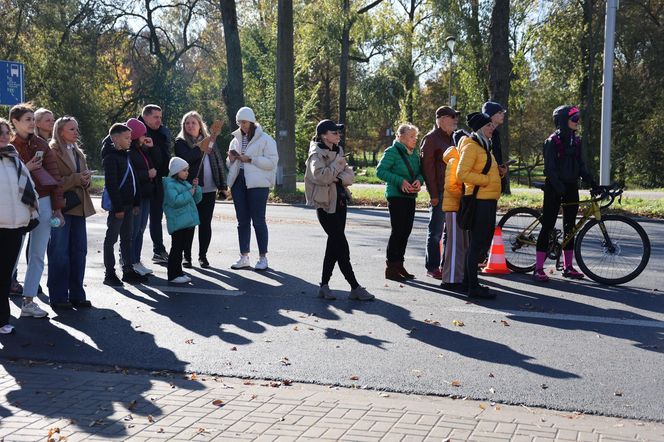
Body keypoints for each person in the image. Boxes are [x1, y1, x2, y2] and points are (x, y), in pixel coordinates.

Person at [304, 119, 374, 301]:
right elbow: (320, 176)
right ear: (323, 135)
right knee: (341, 246)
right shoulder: (316, 155)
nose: (338, 135)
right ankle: (355, 286)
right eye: (334, 132)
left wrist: (337, 176)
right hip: (326, 205)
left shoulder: (338, 151)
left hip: (340, 202)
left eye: (338, 132)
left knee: (334, 245)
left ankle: (324, 285)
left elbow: (350, 176)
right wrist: (337, 169)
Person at [9, 103, 65, 318]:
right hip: (18, 204)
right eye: (27, 119)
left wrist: (57, 208)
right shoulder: (8, 145)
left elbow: (55, 177)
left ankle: (29, 301)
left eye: (33, 119)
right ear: (15, 122)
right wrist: (27, 168)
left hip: (43, 201)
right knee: (11, 254)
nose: (32, 123)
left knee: (38, 254)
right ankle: (5, 302)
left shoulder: (42, 143)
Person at [534, 105, 596, 282]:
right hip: (554, 187)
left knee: (570, 227)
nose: (578, 122)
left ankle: (568, 267)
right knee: (547, 226)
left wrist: (593, 182)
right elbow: (550, 169)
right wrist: (558, 187)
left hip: (571, 187)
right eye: (574, 119)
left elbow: (581, 165)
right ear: (563, 121)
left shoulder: (576, 141)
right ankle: (538, 268)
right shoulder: (552, 141)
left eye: (578, 118)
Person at [46, 116, 96, 309]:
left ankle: (77, 294)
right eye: (71, 129)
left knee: (79, 252)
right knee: (59, 253)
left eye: (76, 129)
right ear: (60, 132)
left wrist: (85, 180)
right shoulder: (52, 151)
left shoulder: (77, 152)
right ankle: (58, 297)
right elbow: (52, 181)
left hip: (80, 208)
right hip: (61, 208)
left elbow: (81, 179)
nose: (76, 132)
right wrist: (76, 178)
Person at [456, 112, 505, 299]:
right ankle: (472, 286)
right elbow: (462, 173)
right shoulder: (472, 146)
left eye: (492, 126)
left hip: (487, 199)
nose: (492, 129)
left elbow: (483, 170)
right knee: (478, 244)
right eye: (488, 126)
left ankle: (469, 283)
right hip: (479, 201)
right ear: (479, 129)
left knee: (481, 243)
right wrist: (485, 180)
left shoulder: (485, 146)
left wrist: (499, 173)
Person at [0, 118, 40, 334]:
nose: (5, 136)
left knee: (5, 275)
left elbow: (29, 189)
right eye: (0, 133)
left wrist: (31, 215)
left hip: (14, 227)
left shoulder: (14, 159)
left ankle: (2, 320)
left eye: (6, 132)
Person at [226, 107, 278, 271]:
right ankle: (244, 256)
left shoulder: (265, 139)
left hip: (258, 184)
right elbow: (230, 164)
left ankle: (263, 258)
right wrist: (231, 159)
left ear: (252, 121)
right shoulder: (235, 139)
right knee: (242, 221)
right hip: (238, 182)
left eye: (245, 122)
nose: (242, 125)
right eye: (240, 122)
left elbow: (271, 162)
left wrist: (251, 159)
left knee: (258, 220)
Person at [173, 111, 226, 268]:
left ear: (199, 125)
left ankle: (202, 256)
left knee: (205, 223)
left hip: (209, 189)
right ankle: (186, 256)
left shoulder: (210, 140)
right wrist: (202, 147)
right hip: (191, 188)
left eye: (193, 123)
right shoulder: (180, 141)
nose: (190, 126)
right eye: (187, 123)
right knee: (189, 223)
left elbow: (218, 162)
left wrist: (222, 185)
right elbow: (187, 158)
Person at [376, 123, 423, 281]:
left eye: (415, 137)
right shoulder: (392, 151)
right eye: (411, 136)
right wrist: (400, 181)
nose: (414, 139)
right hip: (396, 196)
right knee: (398, 231)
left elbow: (421, 172)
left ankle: (399, 264)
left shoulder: (415, 154)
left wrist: (419, 181)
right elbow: (380, 171)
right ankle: (391, 268)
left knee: (406, 231)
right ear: (400, 136)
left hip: (410, 196)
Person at [102, 123, 146, 287]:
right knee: (111, 239)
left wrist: (136, 202)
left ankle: (128, 270)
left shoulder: (125, 155)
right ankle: (110, 273)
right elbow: (112, 185)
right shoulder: (110, 158)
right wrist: (118, 208)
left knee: (127, 239)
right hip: (118, 208)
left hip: (128, 205)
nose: (130, 141)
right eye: (126, 138)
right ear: (115, 139)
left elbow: (133, 180)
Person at [420, 106, 459, 280]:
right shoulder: (431, 139)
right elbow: (427, 170)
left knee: (449, 232)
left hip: (453, 191)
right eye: (452, 117)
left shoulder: (453, 138)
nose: (455, 120)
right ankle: (432, 266)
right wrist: (434, 194)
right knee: (435, 231)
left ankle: (446, 265)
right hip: (440, 192)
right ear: (442, 120)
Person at [138, 105, 172, 265]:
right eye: (155, 117)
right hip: (142, 183)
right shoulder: (135, 133)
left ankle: (158, 250)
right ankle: (131, 259)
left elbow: (164, 159)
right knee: (138, 224)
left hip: (158, 182)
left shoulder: (162, 133)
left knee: (156, 218)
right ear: (145, 117)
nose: (159, 120)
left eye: (160, 116)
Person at [162, 157, 202, 283]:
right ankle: (173, 275)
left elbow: (196, 200)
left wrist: (196, 188)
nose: (187, 173)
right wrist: (189, 193)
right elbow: (175, 201)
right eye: (184, 170)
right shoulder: (170, 185)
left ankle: (179, 272)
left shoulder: (185, 183)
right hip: (178, 223)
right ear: (176, 171)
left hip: (186, 222)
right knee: (177, 249)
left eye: (187, 170)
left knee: (182, 248)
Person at [440, 130, 469, 291]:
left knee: (461, 244)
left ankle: (458, 276)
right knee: (454, 244)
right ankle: (450, 280)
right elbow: (451, 186)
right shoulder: (455, 159)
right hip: (454, 207)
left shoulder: (460, 158)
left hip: (459, 207)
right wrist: (465, 197)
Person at [126, 118, 156, 276]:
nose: (145, 136)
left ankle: (136, 260)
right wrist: (147, 174)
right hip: (136, 196)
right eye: (143, 134)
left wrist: (148, 149)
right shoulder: (129, 152)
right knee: (135, 230)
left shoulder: (140, 150)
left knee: (141, 229)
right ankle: (130, 261)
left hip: (145, 194)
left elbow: (147, 163)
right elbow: (131, 174)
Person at [481, 101, 506, 166]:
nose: (503, 115)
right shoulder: (481, 134)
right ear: (490, 115)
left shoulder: (495, 134)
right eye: (500, 112)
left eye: (503, 112)